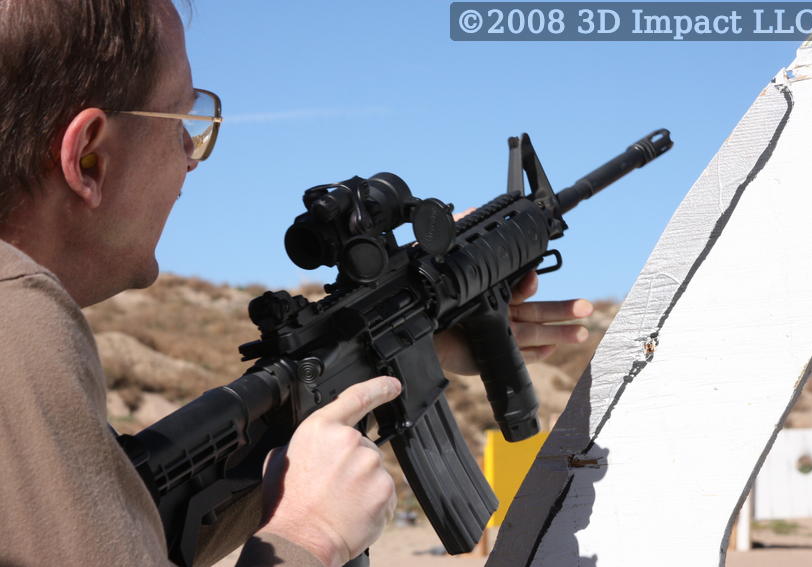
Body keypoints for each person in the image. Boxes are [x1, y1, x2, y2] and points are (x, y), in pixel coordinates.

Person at [0, 1, 593, 566]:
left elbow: (125, 526)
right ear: (89, 160)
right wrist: (309, 537)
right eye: (181, 121)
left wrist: (412, 346)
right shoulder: (20, 328)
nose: (192, 155)